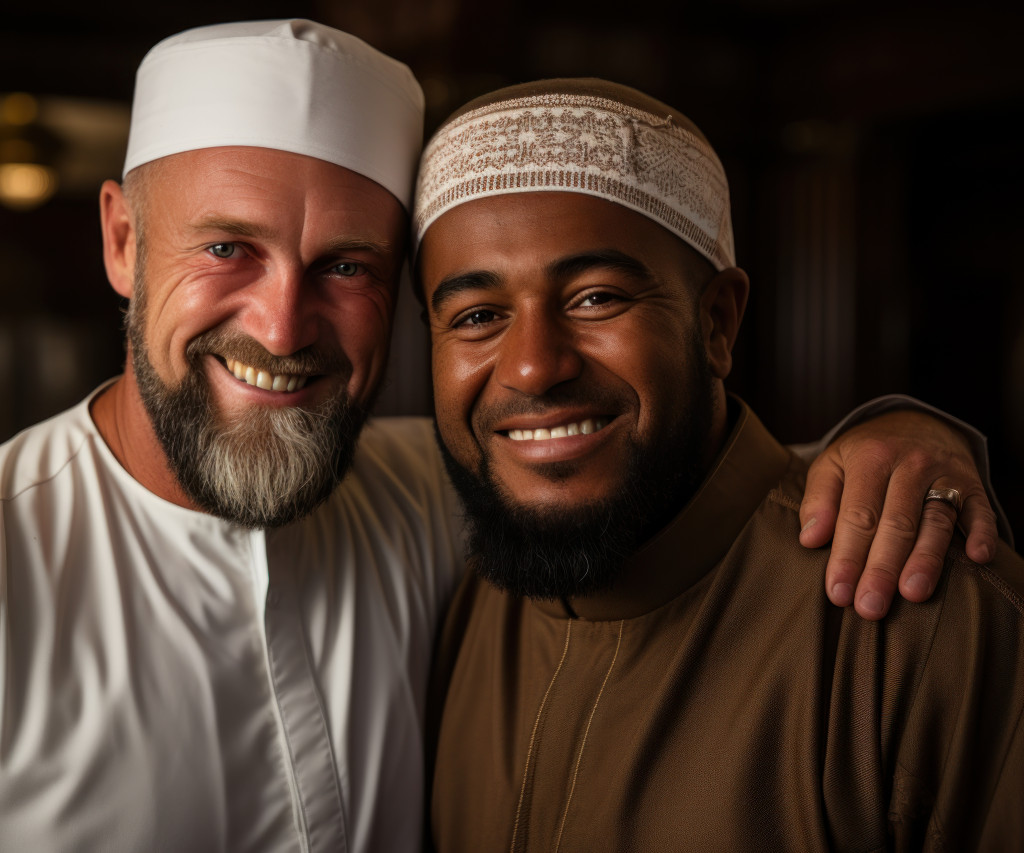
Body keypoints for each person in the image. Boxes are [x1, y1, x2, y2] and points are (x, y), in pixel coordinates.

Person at [0, 21, 1005, 853]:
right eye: (226, 247)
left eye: (345, 264)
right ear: (123, 241)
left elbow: (645, 459)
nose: (283, 322)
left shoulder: (430, 496)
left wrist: (898, 429)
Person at [416, 78, 1024, 851]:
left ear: (716, 322)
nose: (533, 368)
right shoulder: (454, 594)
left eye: (597, 298)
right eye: (477, 317)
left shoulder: (924, 625)